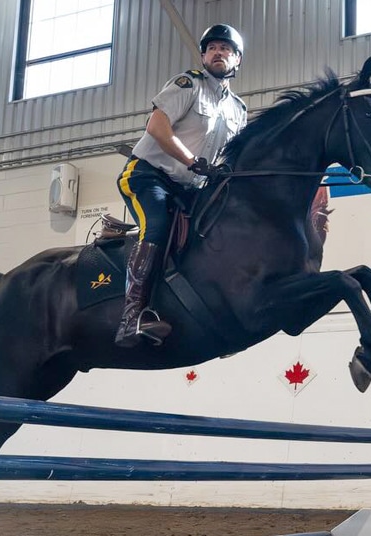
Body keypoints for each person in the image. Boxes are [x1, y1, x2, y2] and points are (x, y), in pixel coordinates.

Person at [113, 23, 248, 347]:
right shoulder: (188, 84)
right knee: (157, 225)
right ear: (203, 55)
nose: (218, 52)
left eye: (226, 49)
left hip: (191, 187)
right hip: (148, 175)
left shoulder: (238, 109)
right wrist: (191, 161)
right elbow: (157, 127)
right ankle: (131, 317)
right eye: (212, 47)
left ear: (237, 60)